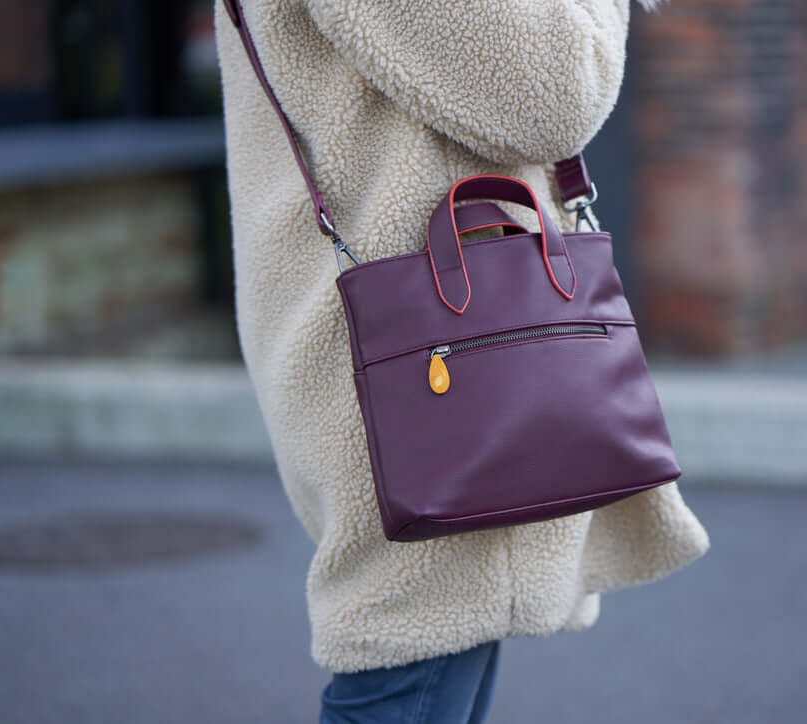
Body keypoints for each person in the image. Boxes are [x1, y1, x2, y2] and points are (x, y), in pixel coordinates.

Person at [214, 0, 709, 721]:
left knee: (431, 656)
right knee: (407, 662)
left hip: (439, 341)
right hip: (426, 359)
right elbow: (548, 91)